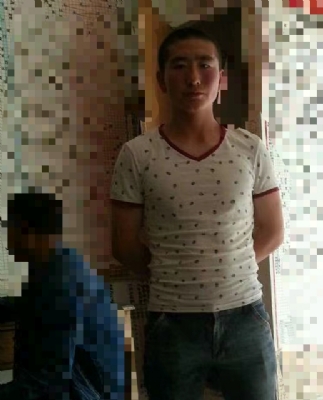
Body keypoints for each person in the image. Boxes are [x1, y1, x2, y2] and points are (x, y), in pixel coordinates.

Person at [110, 27, 284, 400]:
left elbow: (272, 231)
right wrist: (177, 272)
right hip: (172, 325)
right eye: (179, 66)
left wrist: (225, 267)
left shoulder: (250, 148)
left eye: (205, 65)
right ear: (161, 80)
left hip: (245, 319)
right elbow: (124, 245)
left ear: (222, 78)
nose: (193, 78)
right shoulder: (137, 155)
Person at [0, 190, 125, 400]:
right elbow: (28, 304)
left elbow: (44, 385)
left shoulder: (58, 286)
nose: (7, 244)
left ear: (26, 232)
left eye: (9, 231)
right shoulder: (62, 264)